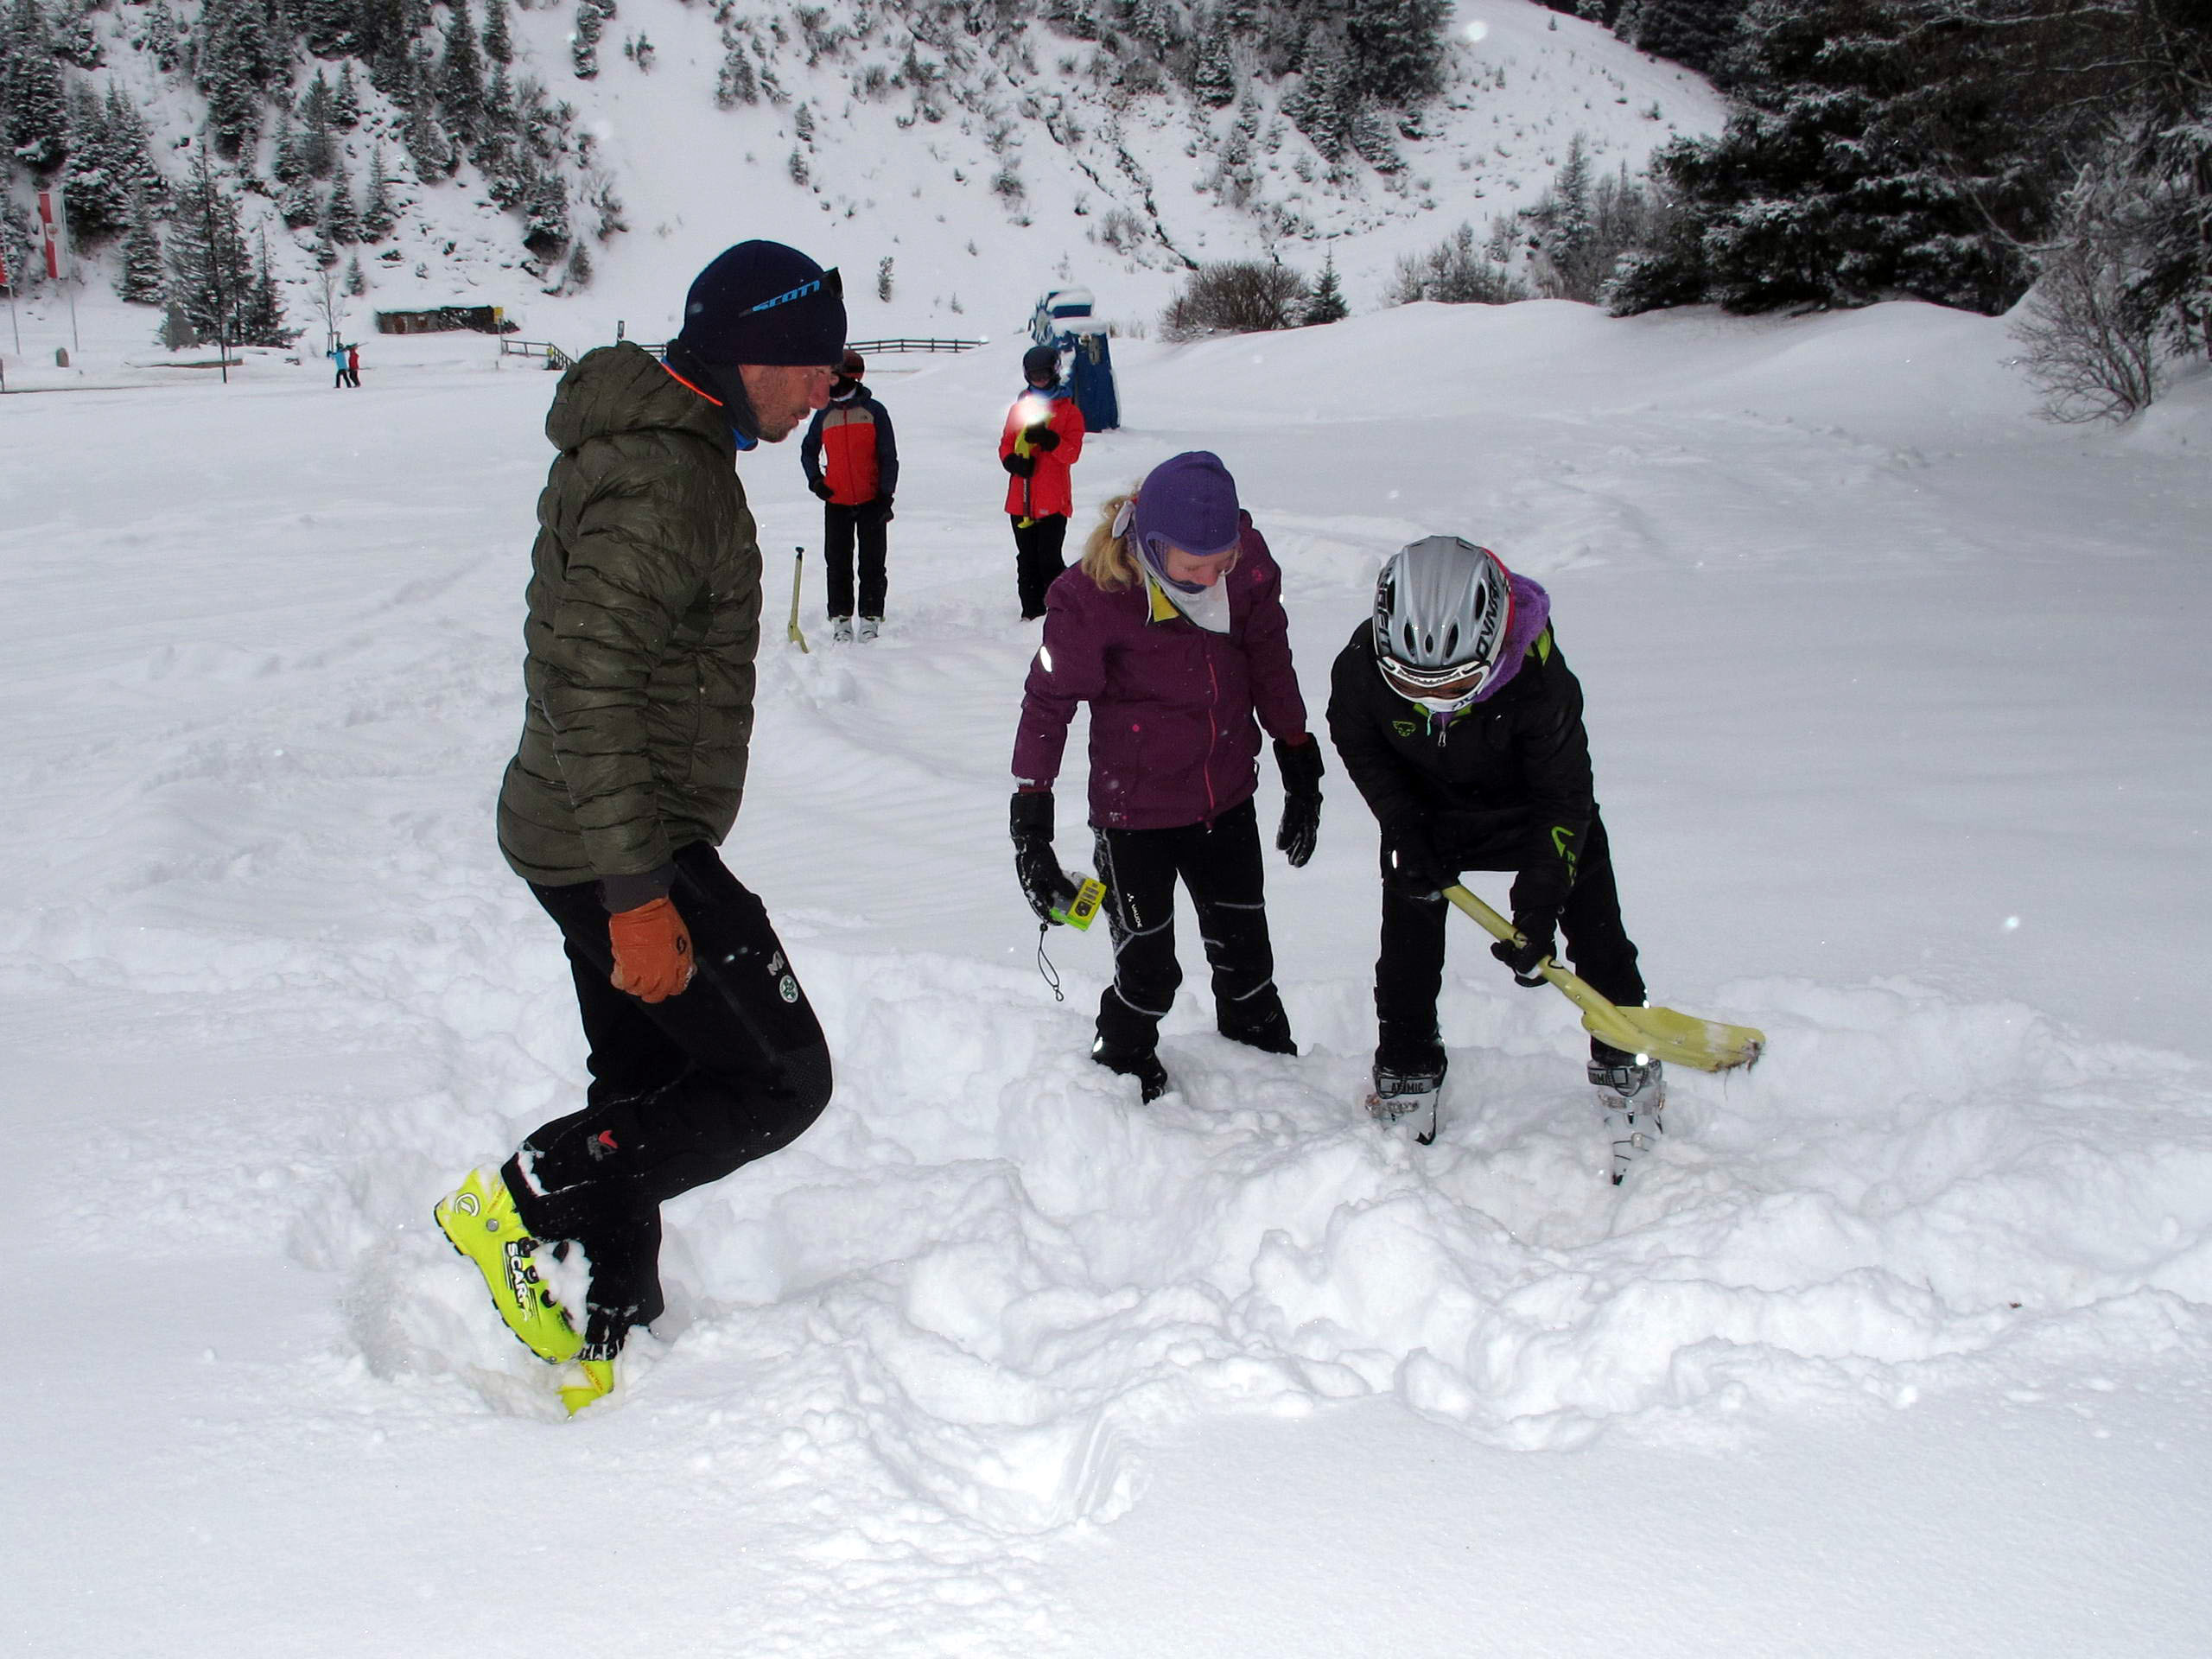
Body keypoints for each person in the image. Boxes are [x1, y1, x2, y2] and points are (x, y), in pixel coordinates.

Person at [435, 240, 844, 1412]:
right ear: (743, 353)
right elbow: (588, 682)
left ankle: (612, 1324)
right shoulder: (669, 483)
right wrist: (638, 893)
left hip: (599, 824)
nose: (826, 389)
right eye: (810, 364)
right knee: (779, 1081)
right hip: (619, 838)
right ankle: (519, 1199)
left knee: (647, 1076)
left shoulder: (670, 452)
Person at [1325, 534, 1663, 1149]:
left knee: (1599, 932)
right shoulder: (1357, 674)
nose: (1434, 703)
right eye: (1414, 688)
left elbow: (1566, 799)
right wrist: (1401, 822)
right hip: (1427, 817)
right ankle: (1408, 1064)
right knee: (1406, 944)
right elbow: (1362, 748)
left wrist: (1538, 905)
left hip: (1535, 813)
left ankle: (1628, 1061)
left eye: (1454, 687)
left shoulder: (1542, 684)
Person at [1010, 450, 1324, 1102]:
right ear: (1151, 545)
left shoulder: (1246, 567)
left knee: (1247, 966)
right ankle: (1118, 1079)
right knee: (1149, 974)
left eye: (1223, 562)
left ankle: (1273, 1079)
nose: (1212, 578)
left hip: (1225, 798)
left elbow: (1269, 655)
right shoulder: (1096, 596)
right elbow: (1049, 703)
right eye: (1192, 567)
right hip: (1135, 817)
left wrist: (1297, 755)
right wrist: (1031, 824)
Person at [799, 346, 899, 642]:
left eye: (834, 377)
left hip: (872, 501)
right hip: (837, 502)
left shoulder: (874, 411)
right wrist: (816, 481)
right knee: (838, 562)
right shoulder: (823, 413)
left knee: (872, 562)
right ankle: (841, 619)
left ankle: (870, 617)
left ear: (850, 378)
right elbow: (808, 451)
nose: (829, 382)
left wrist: (885, 496)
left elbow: (888, 457)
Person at [999, 343, 1086, 620]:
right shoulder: (1019, 409)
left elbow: (1072, 454)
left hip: (1053, 500)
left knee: (1048, 559)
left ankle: (1059, 610)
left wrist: (1050, 440)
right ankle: (1031, 612)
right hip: (1021, 500)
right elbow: (1006, 444)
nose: (1039, 380)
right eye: (1034, 375)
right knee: (1026, 559)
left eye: (1043, 375)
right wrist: (1011, 461)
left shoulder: (1070, 412)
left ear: (1055, 373)